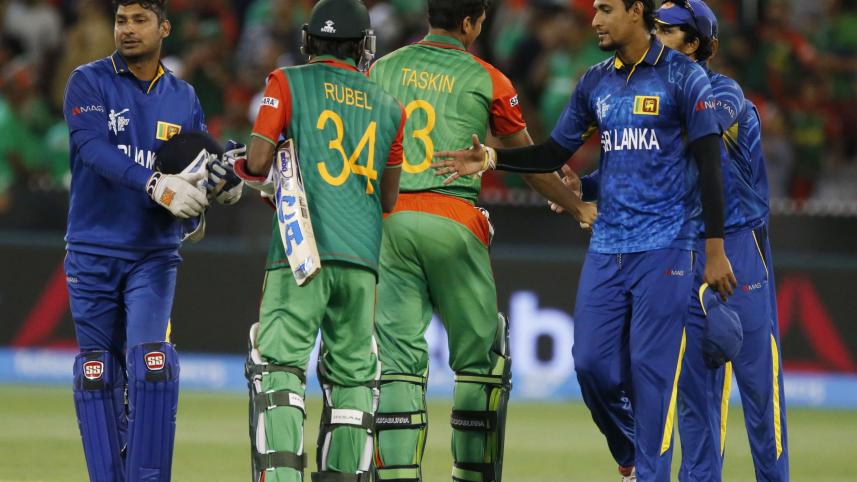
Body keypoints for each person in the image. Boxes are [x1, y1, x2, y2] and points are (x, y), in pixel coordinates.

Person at [432, 0, 738, 480]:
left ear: (636, 11)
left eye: (605, 9)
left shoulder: (684, 78)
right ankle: (632, 455)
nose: (594, 20)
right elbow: (554, 152)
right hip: (608, 245)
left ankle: (651, 474)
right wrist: (492, 158)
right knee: (591, 364)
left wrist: (715, 250)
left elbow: (710, 165)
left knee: (651, 373)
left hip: (666, 246)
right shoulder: (595, 81)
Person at [365, 0, 594, 480]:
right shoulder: (489, 78)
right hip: (453, 218)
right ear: (470, 23)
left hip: (389, 221)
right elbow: (530, 162)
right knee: (480, 364)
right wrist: (576, 207)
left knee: (399, 366)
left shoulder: (382, 68)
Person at [63, 1, 242, 480]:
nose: (127, 29)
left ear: (164, 28)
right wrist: (154, 184)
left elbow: (199, 164)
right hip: (93, 250)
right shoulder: (88, 81)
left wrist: (222, 185)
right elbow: (92, 148)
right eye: (121, 20)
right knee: (98, 375)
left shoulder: (183, 96)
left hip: (153, 254)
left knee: (152, 367)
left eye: (139, 20)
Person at [232, 0, 404, 480]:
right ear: (363, 45)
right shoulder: (391, 106)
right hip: (361, 258)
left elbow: (257, 162)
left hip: (300, 253)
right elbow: (389, 199)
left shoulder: (286, 82)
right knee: (354, 380)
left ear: (308, 40)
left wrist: (251, 170)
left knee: (278, 371)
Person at [653, 2, 789, 480]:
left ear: (694, 44)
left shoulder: (724, 93)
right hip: (689, 249)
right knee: (696, 398)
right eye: (653, 28)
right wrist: (586, 188)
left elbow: (701, 128)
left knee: (760, 395)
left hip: (740, 249)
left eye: (666, 31)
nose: (654, 37)